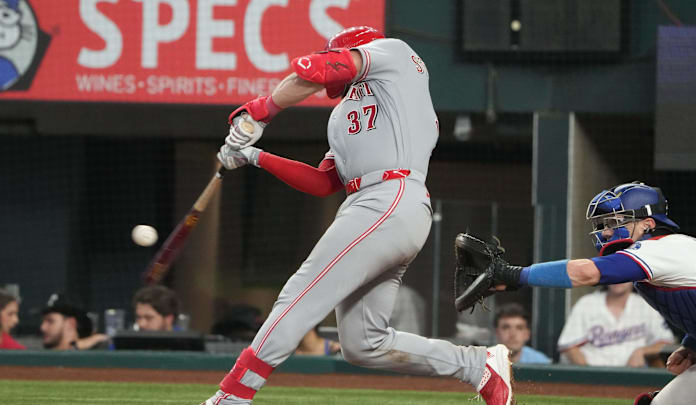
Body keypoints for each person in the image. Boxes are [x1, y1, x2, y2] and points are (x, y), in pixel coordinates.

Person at [201, 26, 513, 405]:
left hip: (392, 193)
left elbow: (318, 70)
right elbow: (323, 182)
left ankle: (232, 396)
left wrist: (261, 110)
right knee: (363, 343)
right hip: (371, 204)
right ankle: (478, 365)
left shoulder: (393, 55)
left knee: (299, 294)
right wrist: (255, 156)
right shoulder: (341, 115)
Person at [486, 181, 695, 405]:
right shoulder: (671, 252)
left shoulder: (660, 249)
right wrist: (691, 344)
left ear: (647, 224)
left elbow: (586, 273)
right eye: (604, 224)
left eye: (616, 222)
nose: (606, 232)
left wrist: (512, 274)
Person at [558, 282, 673, 367]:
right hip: (594, 374)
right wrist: (589, 375)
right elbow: (569, 347)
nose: (618, 280)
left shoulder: (646, 305)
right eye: (614, 275)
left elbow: (666, 344)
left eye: (623, 275)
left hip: (633, 378)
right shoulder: (587, 303)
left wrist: (642, 351)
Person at [41, 293, 108, 350]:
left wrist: (75, 347)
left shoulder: (95, 352)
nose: (42, 327)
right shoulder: (37, 346)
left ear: (71, 323)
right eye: (43, 321)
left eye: (50, 321)